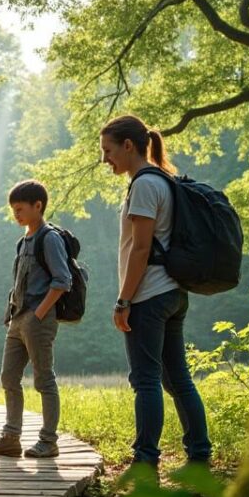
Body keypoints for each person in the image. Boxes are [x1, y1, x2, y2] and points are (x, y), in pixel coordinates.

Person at [100, 114, 212, 468]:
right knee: (176, 377)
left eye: (108, 150)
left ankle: (146, 458)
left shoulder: (145, 185)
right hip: (173, 293)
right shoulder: (162, 180)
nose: (106, 159)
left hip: (150, 295)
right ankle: (199, 451)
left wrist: (124, 300)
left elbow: (141, 248)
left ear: (128, 146)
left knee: (145, 379)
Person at [0, 180, 71, 459]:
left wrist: (40, 313)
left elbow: (62, 280)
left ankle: (48, 441)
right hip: (18, 319)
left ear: (38, 206)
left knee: (44, 380)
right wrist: (13, 315)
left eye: (20, 209)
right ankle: (11, 438)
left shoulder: (50, 238)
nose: (15, 214)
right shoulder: (23, 241)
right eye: (13, 209)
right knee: (8, 377)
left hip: (38, 319)